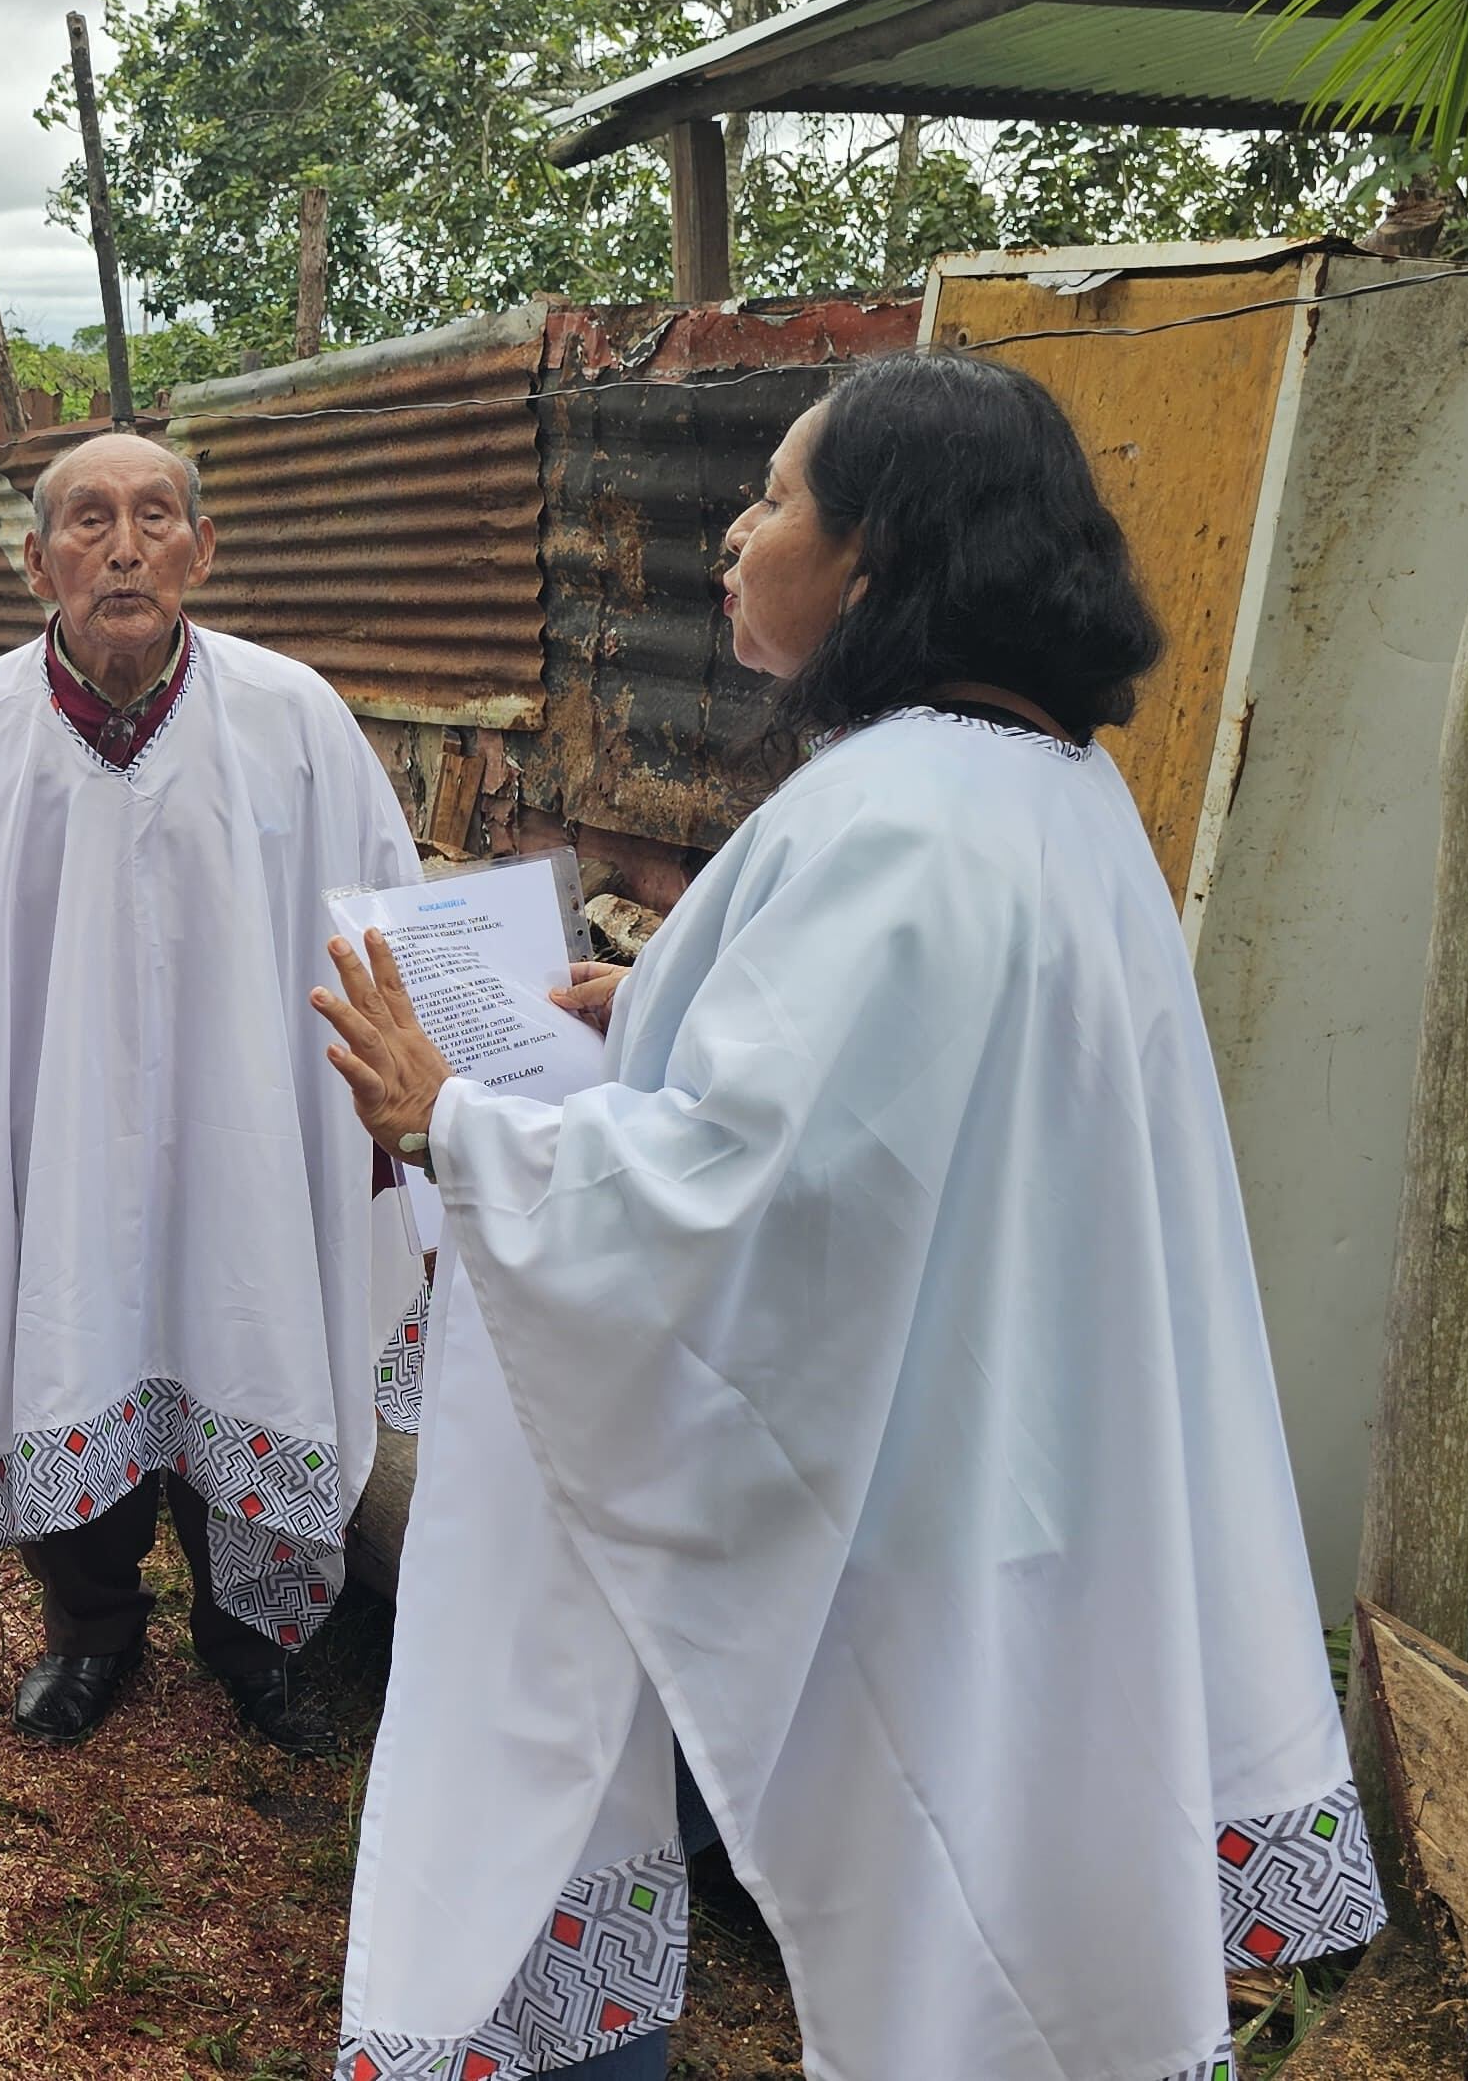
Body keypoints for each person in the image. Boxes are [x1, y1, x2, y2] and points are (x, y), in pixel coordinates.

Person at [311, 349, 1381, 2081]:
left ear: (874, 558)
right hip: (1017, 1450)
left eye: (774, 500)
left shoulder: (895, 819)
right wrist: (648, 1010)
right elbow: (892, 1102)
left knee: (926, 1919)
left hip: (904, 1494)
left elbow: (757, 1204)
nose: (734, 537)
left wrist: (455, 1128)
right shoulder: (1042, 787)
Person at [0, 429, 420, 1756]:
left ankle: (250, 1632)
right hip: (42, 1145)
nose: (123, 545)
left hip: (252, 1132)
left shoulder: (293, 719)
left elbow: (387, 916)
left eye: (155, 517)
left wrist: (413, 1102)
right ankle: (90, 1633)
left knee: (251, 1329)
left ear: (202, 550)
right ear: (34, 557)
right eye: (87, 520)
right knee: (64, 1341)